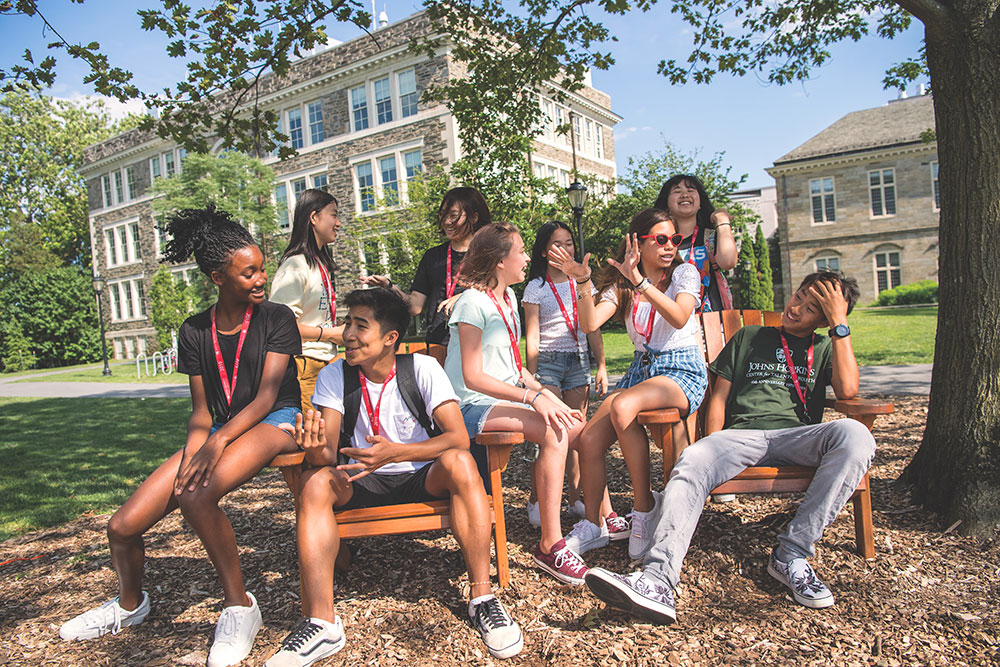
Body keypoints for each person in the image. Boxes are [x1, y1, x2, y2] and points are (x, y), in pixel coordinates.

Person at [59, 206, 303, 667]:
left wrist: (214, 445)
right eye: (248, 272)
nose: (259, 278)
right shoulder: (193, 330)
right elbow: (199, 412)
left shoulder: (276, 318)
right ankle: (131, 605)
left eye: (261, 268)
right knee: (122, 527)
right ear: (217, 276)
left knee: (195, 497)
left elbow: (267, 397)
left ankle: (240, 607)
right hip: (220, 428)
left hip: (277, 420)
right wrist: (198, 449)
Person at [584, 271, 873, 624]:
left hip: (800, 436)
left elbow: (847, 391)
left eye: (812, 308)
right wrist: (712, 443)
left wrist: (840, 323)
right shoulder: (751, 336)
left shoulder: (827, 346)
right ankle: (656, 579)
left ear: (826, 319)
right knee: (693, 459)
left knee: (857, 436)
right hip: (742, 437)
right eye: (799, 296)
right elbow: (718, 397)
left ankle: (792, 553)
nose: (796, 308)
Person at [266, 287, 522, 665]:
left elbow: (457, 437)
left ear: (390, 338)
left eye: (360, 326)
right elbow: (326, 453)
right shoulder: (335, 374)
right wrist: (312, 445)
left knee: (461, 463)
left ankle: (482, 597)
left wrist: (396, 453)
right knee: (315, 482)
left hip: (419, 473)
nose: (348, 334)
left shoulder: (422, 368)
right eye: (347, 323)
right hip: (359, 479)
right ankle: (321, 623)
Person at [444, 222, 590, 585]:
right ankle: (551, 545)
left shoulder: (507, 299)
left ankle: (598, 519)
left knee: (575, 425)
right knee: (555, 431)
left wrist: (542, 392)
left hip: (497, 401)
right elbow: (474, 377)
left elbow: (514, 366)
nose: (527, 257)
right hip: (468, 406)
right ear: (498, 261)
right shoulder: (472, 303)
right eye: (521, 251)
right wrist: (532, 398)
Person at [566, 208, 708, 562]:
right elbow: (589, 323)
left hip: (681, 368)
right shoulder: (621, 286)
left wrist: (641, 283)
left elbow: (678, 317)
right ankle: (593, 523)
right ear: (637, 242)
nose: (669, 246)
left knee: (622, 404)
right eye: (660, 239)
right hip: (642, 371)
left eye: (674, 239)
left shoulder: (684, 273)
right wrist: (583, 282)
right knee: (587, 438)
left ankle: (643, 509)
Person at [522, 221, 626, 540]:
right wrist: (533, 376)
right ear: (544, 250)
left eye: (569, 243)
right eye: (557, 244)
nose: (566, 249)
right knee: (552, 432)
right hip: (550, 363)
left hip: (578, 360)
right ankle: (537, 500)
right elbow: (533, 334)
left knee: (578, 433)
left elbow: (592, 327)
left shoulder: (582, 282)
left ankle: (577, 500)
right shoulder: (535, 287)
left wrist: (602, 365)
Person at [363, 187, 491, 346]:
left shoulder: (489, 254)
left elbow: (498, 292)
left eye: (453, 216)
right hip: (439, 344)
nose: (446, 221)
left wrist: (464, 297)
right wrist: (389, 286)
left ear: (473, 217)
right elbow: (415, 307)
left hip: (479, 343)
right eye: (443, 215)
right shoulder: (433, 257)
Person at [271, 188, 346, 413]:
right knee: (314, 438)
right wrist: (330, 334)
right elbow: (280, 326)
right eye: (333, 214)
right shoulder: (295, 266)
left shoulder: (319, 263)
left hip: (327, 363)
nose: (338, 223)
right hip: (304, 364)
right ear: (314, 218)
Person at [653, 174, 737, 312]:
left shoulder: (710, 237)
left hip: (712, 322)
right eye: (677, 191)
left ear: (700, 203)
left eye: (691, 190)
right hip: (672, 322)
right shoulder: (659, 241)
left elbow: (728, 262)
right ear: (666, 204)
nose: (685, 194)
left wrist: (722, 220)